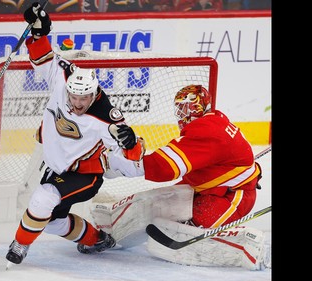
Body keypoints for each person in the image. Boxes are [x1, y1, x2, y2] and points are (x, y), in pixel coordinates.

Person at [5, 1, 144, 266]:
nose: (78, 103)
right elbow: (41, 56)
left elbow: (132, 155)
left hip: (85, 175)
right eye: (74, 96)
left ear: (95, 93)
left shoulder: (106, 116)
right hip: (57, 168)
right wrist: (38, 32)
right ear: (68, 88)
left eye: (85, 98)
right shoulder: (61, 77)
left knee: (43, 197)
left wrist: (131, 143)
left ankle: (19, 246)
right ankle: (97, 239)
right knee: (50, 221)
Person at [105, 84, 267, 270]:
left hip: (233, 196)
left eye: (184, 108)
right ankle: (117, 224)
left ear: (197, 107)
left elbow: (166, 166)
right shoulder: (212, 122)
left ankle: (250, 247)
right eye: (178, 108)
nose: (180, 114)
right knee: (163, 201)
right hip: (208, 186)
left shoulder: (208, 130)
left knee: (198, 219)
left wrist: (124, 167)